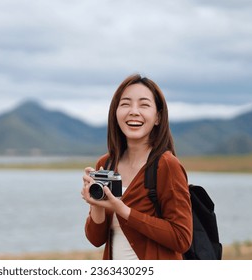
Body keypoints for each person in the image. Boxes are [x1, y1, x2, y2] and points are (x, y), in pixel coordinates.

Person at [81, 73, 192, 260]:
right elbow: (96, 239)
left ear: (157, 117)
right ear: (115, 113)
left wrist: (123, 209)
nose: (133, 111)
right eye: (125, 104)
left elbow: (181, 238)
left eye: (144, 104)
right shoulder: (106, 164)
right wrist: (96, 204)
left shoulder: (166, 165)